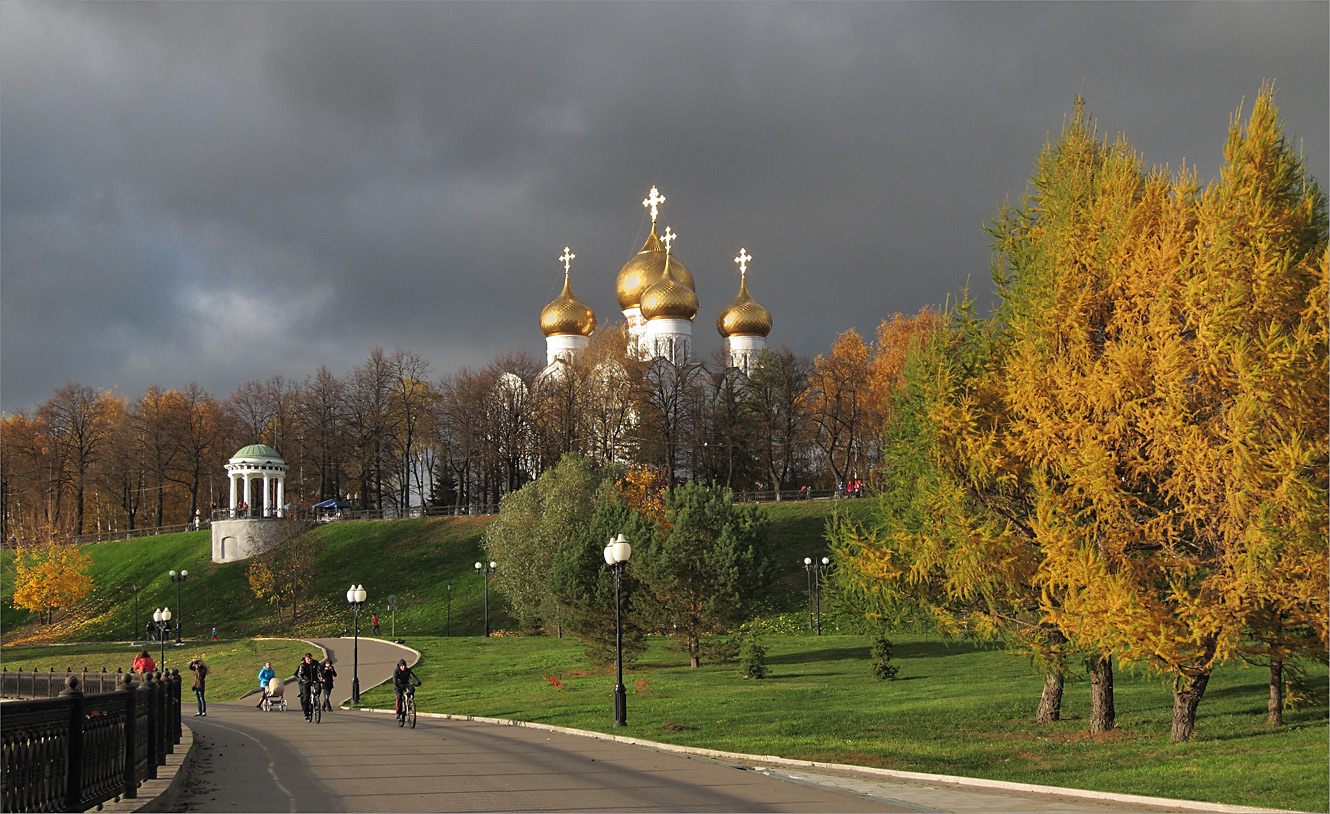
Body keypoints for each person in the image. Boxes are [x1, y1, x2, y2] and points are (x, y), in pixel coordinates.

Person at [293, 653, 323, 720]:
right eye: (307, 659)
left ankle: (316, 698)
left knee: (318, 688)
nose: (309, 660)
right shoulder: (303, 665)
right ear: (305, 659)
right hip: (306, 681)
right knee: (306, 698)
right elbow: (300, 674)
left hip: (315, 679)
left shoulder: (316, 663)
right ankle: (306, 713)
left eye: (310, 658)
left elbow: (319, 671)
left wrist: (321, 678)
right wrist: (303, 680)